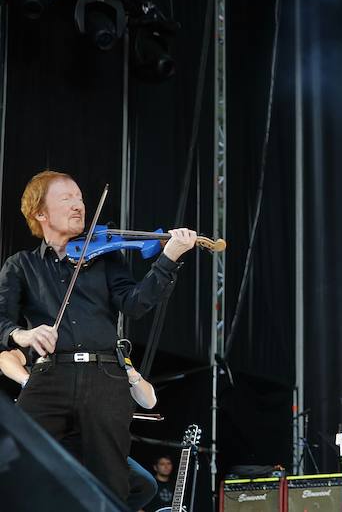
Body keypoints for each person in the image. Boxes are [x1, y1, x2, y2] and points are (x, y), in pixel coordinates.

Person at [0, 170, 197, 503]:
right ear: (40, 213)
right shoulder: (21, 266)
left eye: (80, 198)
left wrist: (168, 260)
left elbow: (134, 304)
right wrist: (22, 334)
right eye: (67, 198)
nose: (79, 205)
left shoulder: (106, 257)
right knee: (21, 461)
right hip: (50, 376)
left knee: (111, 479)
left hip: (104, 374)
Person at [0, 346, 159, 511]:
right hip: (57, 433)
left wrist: (131, 373)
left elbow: (149, 401)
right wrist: (29, 382)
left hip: (93, 438)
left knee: (144, 484)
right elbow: (5, 358)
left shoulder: (107, 355)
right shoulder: (54, 341)